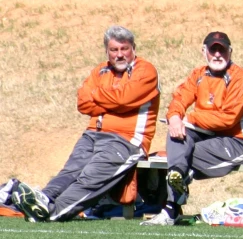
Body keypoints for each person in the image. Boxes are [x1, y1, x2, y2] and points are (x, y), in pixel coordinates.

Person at [12, 26, 160, 222]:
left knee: (89, 177)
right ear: (107, 51)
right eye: (114, 50)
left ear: (134, 48)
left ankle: (53, 212)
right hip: (93, 134)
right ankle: (43, 199)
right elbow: (82, 102)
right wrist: (113, 101)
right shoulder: (100, 70)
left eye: (124, 49)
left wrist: (97, 95)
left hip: (125, 141)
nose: (120, 54)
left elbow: (124, 99)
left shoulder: (145, 70)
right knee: (70, 171)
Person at [141, 32, 243, 226]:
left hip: (237, 141)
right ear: (204, 51)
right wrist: (174, 117)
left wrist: (187, 119)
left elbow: (227, 119)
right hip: (208, 136)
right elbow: (179, 99)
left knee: (178, 155)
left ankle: (172, 205)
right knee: (176, 136)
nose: (218, 55)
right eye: (213, 50)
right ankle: (176, 180)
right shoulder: (198, 75)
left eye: (222, 50)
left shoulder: (240, 78)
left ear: (230, 52)